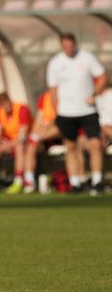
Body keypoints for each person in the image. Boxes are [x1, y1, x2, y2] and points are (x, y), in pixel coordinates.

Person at [46, 32, 108, 194]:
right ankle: (74, 182)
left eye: (70, 45)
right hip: (66, 112)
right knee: (71, 146)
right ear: (61, 46)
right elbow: (53, 89)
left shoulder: (87, 57)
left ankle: (97, 180)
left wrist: (94, 93)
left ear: (75, 44)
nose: (68, 49)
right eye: (65, 46)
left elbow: (103, 77)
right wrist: (56, 109)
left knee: (95, 144)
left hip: (88, 110)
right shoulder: (56, 63)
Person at [0, 92, 32, 195]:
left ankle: (18, 182)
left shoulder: (21, 109)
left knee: (19, 147)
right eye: (2, 105)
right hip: (9, 142)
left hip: (24, 141)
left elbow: (22, 135)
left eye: (6, 103)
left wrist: (8, 146)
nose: (5, 107)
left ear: (9, 101)